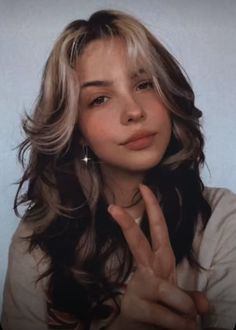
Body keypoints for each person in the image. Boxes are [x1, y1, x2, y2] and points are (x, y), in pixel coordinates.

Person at [1, 9, 236, 330]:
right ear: (77, 129)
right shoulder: (35, 239)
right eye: (99, 99)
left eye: (144, 84)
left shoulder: (223, 219)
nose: (133, 111)